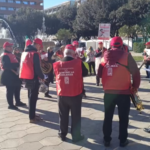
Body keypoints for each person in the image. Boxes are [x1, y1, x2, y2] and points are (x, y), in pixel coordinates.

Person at [98, 37, 141, 147]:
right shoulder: (127, 56)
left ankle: (107, 139)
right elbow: (136, 73)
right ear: (122, 45)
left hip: (108, 93)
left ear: (111, 45)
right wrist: (135, 86)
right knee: (123, 117)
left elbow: (99, 72)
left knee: (108, 117)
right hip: (124, 93)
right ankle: (123, 140)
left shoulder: (105, 56)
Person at [53, 44, 88, 142]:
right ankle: (76, 136)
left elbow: (54, 74)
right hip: (75, 93)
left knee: (63, 115)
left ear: (64, 53)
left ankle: (62, 134)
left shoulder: (57, 64)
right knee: (76, 116)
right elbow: (85, 73)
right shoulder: (78, 62)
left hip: (62, 93)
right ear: (74, 53)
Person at [20, 38, 44, 123]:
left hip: (26, 78)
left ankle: (32, 114)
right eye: (39, 46)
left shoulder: (24, 53)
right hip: (33, 78)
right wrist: (42, 77)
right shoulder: (35, 54)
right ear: (37, 44)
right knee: (33, 98)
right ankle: (32, 117)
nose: (40, 48)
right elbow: (37, 68)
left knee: (30, 97)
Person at [0, 42, 26, 110]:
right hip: (8, 75)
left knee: (17, 88)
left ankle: (18, 102)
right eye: (9, 47)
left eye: (11, 46)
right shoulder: (4, 55)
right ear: (5, 48)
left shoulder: (11, 54)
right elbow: (6, 65)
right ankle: (11, 105)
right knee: (10, 90)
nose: (11, 48)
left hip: (14, 74)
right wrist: (17, 64)